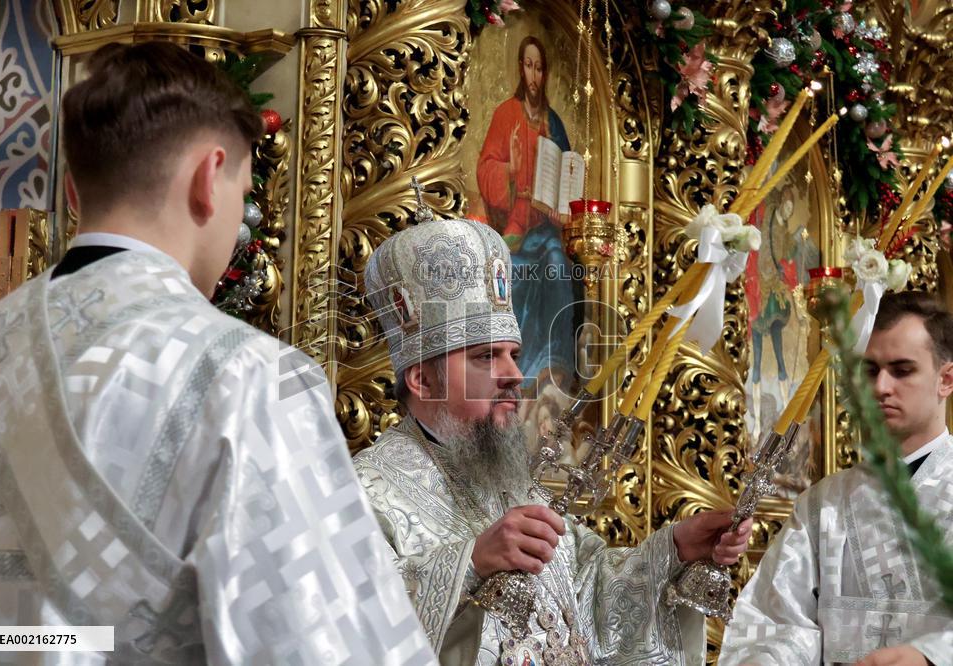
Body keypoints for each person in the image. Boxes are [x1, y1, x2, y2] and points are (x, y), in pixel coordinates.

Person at [0, 42, 433, 665]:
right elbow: (327, 646)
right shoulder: (246, 379)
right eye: (242, 188)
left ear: (74, 192)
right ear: (210, 178)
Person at [356, 190, 752, 665]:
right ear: (422, 379)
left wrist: (673, 552)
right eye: (486, 357)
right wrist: (471, 562)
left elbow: (590, 597)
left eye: (513, 355)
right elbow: (341, 620)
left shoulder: (515, 486)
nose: (514, 376)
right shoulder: (363, 492)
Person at [720, 291, 953, 665]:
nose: (880, 388)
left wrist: (929, 657)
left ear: (946, 379)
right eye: (870, 371)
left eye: (902, 370)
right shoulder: (823, 504)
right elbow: (779, 623)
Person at [476, 35, 583, 393]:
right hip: (514, 226)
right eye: (528, 65)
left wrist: (562, 210)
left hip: (547, 231)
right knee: (516, 273)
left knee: (557, 266)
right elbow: (485, 166)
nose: (534, 75)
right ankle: (511, 373)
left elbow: (569, 177)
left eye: (539, 67)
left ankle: (555, 367)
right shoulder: (507, 113)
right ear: (520, 68)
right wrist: (511, 169)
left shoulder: (553, 122)